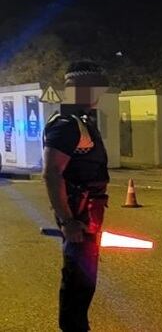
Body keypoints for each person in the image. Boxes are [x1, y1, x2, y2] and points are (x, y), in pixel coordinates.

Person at [43, 60, 110, 331]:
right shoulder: (67, 124)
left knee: (84, 283)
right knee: (77, 283)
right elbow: (52, 173)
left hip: (87, 215)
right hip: (78, 217)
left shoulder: (81, 120)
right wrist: (68, 221)